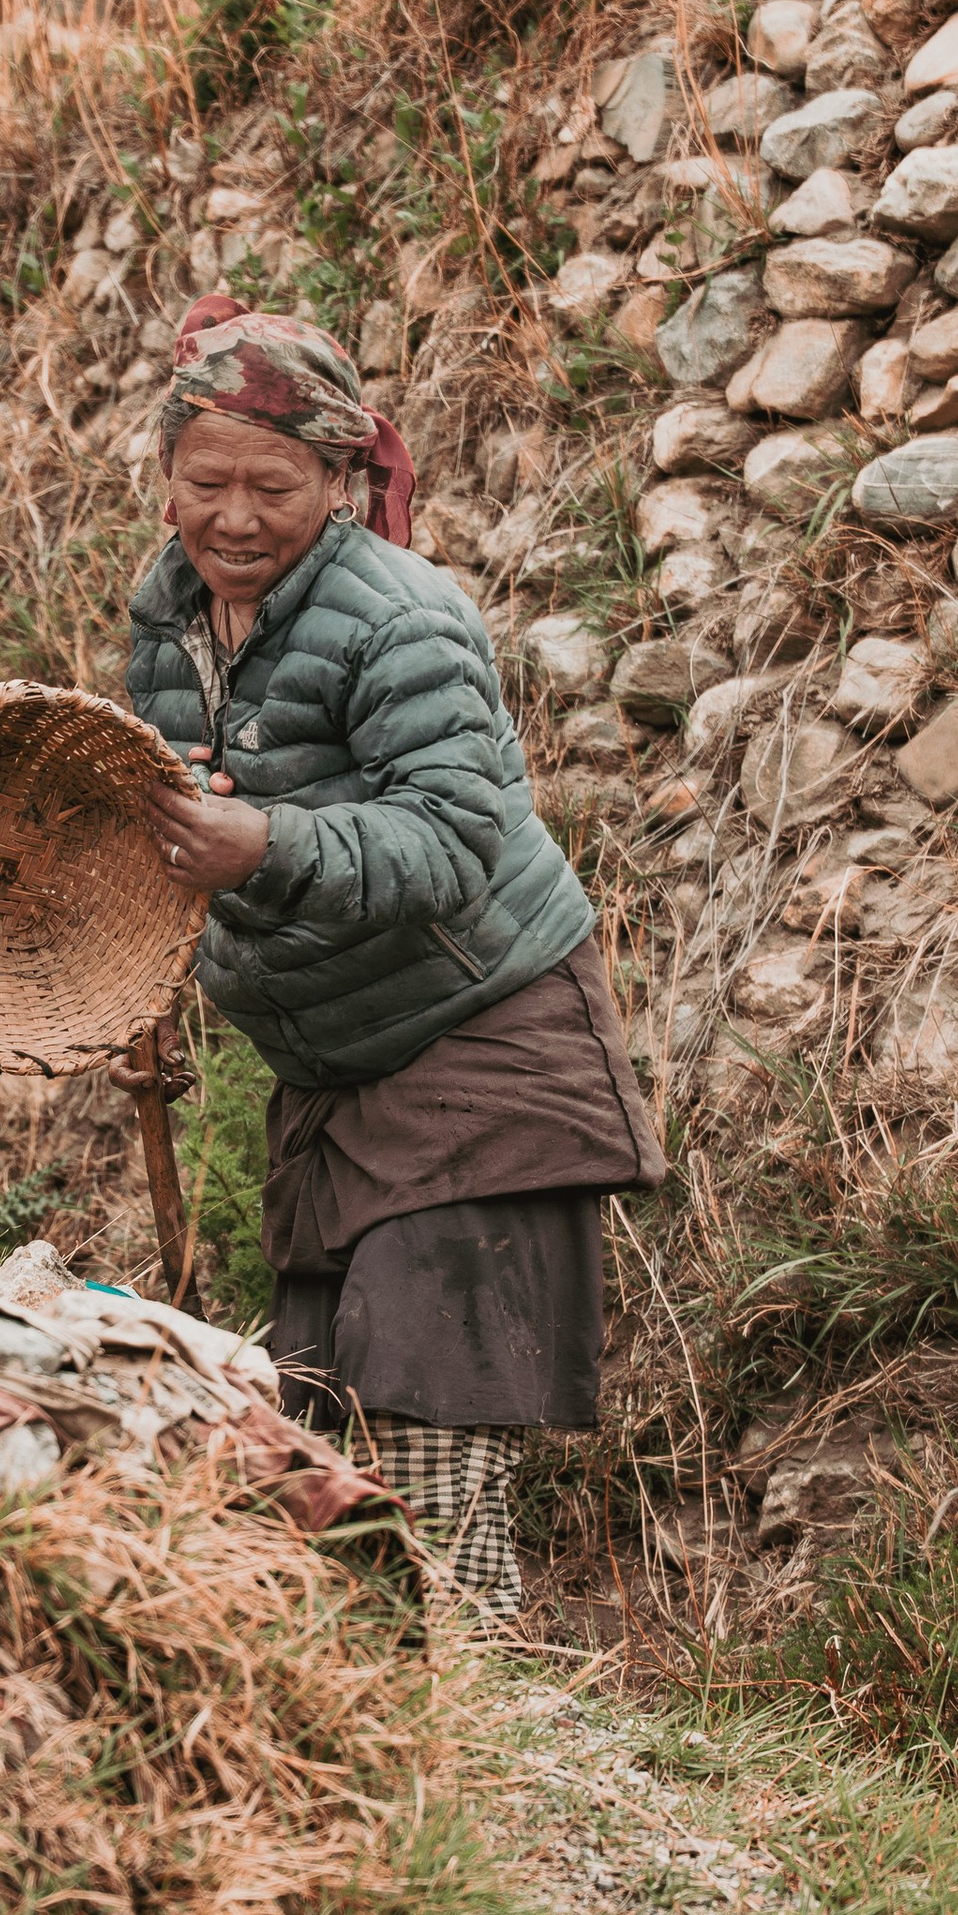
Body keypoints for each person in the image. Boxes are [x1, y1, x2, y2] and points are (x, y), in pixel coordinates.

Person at [122, 292, 665, 1628]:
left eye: (273, 488)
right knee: (318, 1432)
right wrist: (144, 951)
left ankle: (473, 1702)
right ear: (166, 475)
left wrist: (262, 845)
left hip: (483, 1046)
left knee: (419, 1412)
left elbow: (452, 842)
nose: (233, 519)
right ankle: (407, 1708)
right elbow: (183, 805)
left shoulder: (401, 619)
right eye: (205, 484)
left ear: (341, 481)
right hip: (338, 1069)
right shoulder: (169, 614)